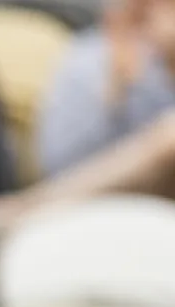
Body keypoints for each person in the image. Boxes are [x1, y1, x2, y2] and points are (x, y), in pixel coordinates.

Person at [37, 0, 175, 178]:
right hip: (94, 186)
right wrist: (118, 87)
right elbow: (60, 167)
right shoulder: (89, 61)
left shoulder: (161, 65)